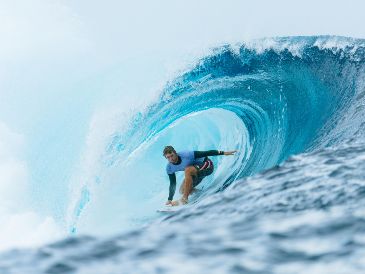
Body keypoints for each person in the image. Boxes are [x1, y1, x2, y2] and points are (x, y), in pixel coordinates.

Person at [163, 145, 237, 206]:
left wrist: (223, 153)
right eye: (168, 157)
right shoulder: (169, 167)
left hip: (207, 166)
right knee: (182, 190)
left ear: (175, 153)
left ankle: (184, 199)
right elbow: (172, 183)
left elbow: (206, 153)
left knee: (187, 170)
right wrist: (170, 199)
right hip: (196, 173)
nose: (171, 159)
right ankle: (202, 194)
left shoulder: (186, 155)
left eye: (172, 155)